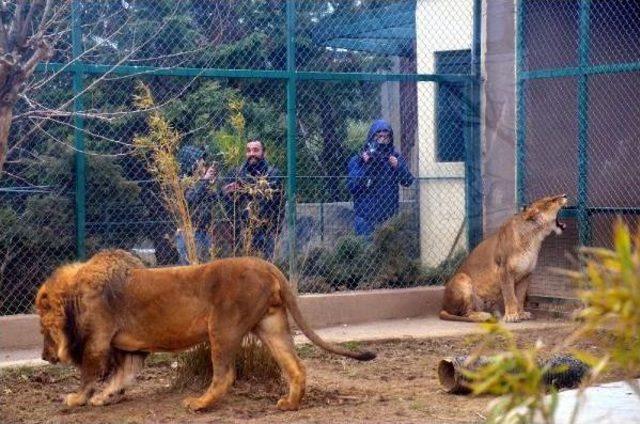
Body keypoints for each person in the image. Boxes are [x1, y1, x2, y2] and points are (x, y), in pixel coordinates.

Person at [347, 119, 415, 237]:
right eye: (379, 137)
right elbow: (352, 187)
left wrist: (398, 166)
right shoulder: (359, 159)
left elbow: (408, 181)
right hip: (366, 218)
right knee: (366, 251)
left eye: (386, 137)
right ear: (372, 137)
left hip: (389, 218)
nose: (382, 140)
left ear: (390, 138)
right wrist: (367, 165)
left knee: (389, 252)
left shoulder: (394, 157)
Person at [222, 139, 284, 259]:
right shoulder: (236, 172)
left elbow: (267, 193)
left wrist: (242, 187)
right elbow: (224, 194)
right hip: (242, 230)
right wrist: (228, 191)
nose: (252, 154)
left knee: (266, 266)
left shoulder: (273, 173)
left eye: (256, 150)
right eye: (249, 151)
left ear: (264, 153)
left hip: (267, 230)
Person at [175, 146, 217, 264]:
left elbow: (214, 200)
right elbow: (191, 199)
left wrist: (210, 185)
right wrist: (204, 181)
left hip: (205, 231)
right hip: (189, 232)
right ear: (192, 164)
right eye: (202, 165)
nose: (204, 168)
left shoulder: (201, 182)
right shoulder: (183, 181)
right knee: (189, 269)